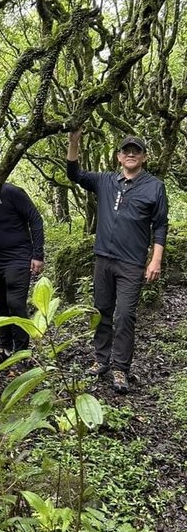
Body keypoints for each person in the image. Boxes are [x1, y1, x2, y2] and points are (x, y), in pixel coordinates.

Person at [67, 130, 169, 393]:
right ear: (118, 156)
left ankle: (121, 368)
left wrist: (155, 260)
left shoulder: (154, 187)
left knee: (125, 315)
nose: (131, 154)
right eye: (126, 151)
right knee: (102, 310)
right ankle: (101, 360)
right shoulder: (105, 181)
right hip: (103, 258)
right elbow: (75, 174)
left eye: (136, 151)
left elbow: (160, 226)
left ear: (144, 157)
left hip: (132, 263)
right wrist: (74, 141)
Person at [0, 155, 45, 362]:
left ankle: (22, 351)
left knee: (16, 303)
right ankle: (5, 347)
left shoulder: (11, 192)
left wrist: (38, 254)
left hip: (19, 256)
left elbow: (35, 219)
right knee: (2, 304)